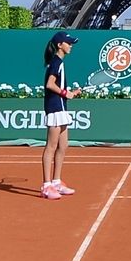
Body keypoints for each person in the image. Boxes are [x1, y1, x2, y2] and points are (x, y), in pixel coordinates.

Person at [41, 34, 80, 197]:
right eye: (68, 43)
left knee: (63, 146)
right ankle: (46, 186)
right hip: (55, 107)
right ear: (59, 45)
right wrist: (65, 93)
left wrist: (71, 93)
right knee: (51, 146)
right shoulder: (56, 62)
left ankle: (56, 182)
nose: (71, 45)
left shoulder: (60, 62)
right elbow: (50, 84)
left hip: (62, 107)